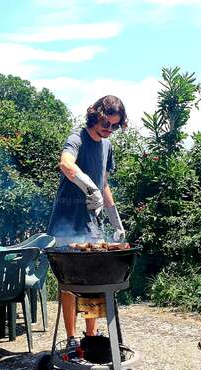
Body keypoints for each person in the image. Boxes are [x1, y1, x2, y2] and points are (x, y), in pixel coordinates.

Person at [47, 95, 127, 356]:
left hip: (91, 225)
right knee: (70, 284)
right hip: (66, 222)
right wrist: (87, 186)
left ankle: (90, 337)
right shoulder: (77, 137)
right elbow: (66, 164)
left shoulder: (107, 147)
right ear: (96, 115)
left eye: (115, 126)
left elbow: (103, 185)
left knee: (93, 281)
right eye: (106, 123)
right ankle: (71, 338)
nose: (109, 130)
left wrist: (116, 221)